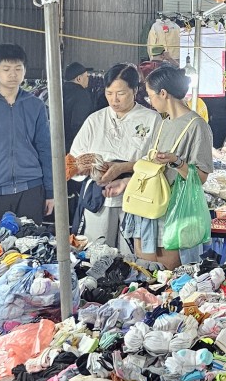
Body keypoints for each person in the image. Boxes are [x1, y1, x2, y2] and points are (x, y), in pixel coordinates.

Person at [103, 64, 215, 267]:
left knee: (170, 280)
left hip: (173, 214)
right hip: (147, 210)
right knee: (148, 277)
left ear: (163, 93)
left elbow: (201, 177)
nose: (149, 101)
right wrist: (127, 181)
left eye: (150, 95)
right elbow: (153, 168)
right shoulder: (163, 123)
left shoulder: (197, 126)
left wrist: (177, 161)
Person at [69, 64, 155, 248]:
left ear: (135, 90)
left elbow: (156, 162)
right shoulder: (95, 119)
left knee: (131, 254)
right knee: (95, 251)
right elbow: (74, 160)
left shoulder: (151, 119)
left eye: (121, 93)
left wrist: (125, 170)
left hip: (136, 195)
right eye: (109, 93)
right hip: (98, 196)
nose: (114, 99)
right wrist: (84, 166)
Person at [0, 43, 53, 223]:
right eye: (6, 69)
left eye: (18, 68)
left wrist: (50, 192)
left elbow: (45, 150)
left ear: (25, 71)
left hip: (31, 189)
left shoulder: (36, 105)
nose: (12, 74)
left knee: (32, 246)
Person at [62, 62, 95, 150]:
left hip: (56, 142)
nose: (88, 78)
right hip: (72, 145)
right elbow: (78, 123)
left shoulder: (58, 90)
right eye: (87, 76)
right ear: (79, 78)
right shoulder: (82, 94)